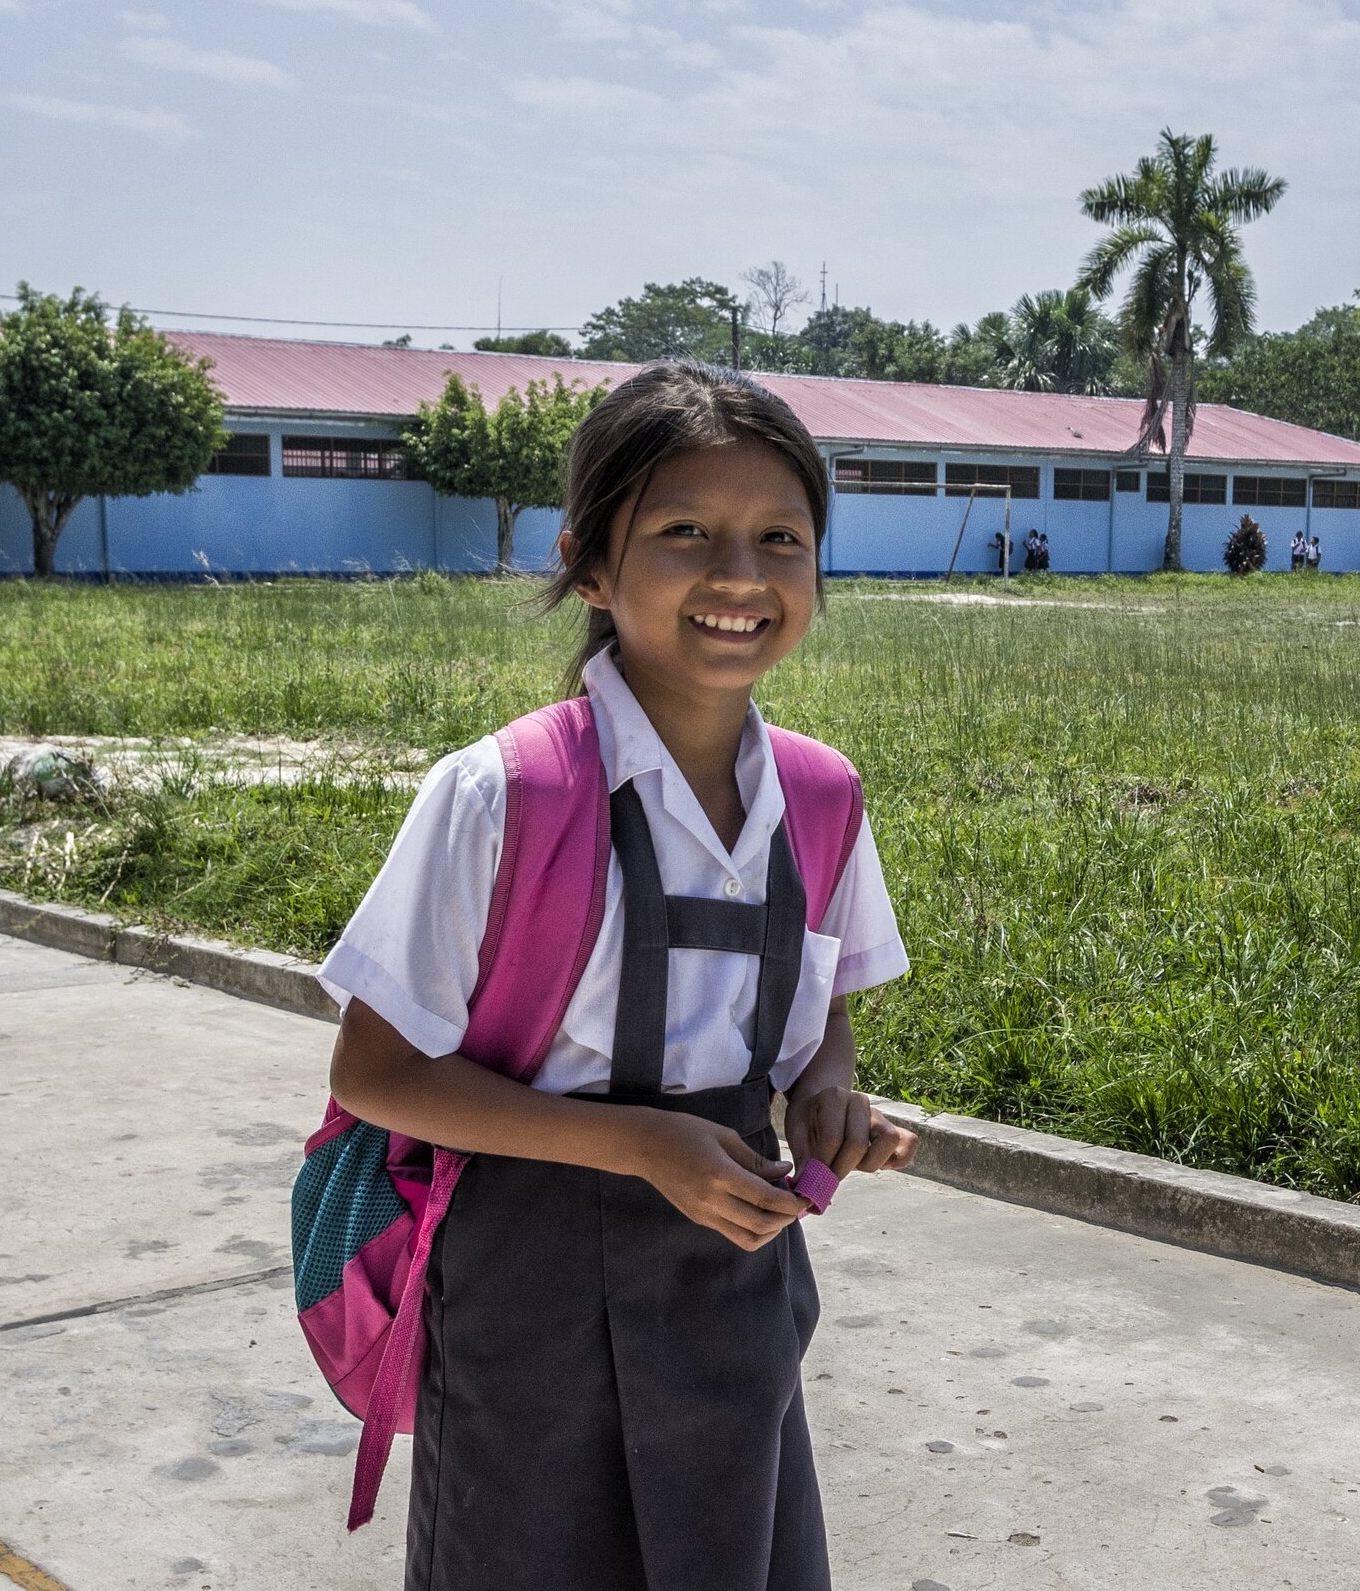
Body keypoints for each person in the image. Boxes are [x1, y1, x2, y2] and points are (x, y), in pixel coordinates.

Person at [322, 363, 915, 1591]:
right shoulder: (504, 793)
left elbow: (824, 1024)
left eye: (780, 539)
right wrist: (643, 1146)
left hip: (734, 1275)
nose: (739, 576)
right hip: (526, 1277)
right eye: (683, 533)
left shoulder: (821, 796)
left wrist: (828, 1100)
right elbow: (376, 1071)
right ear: (591, 562)